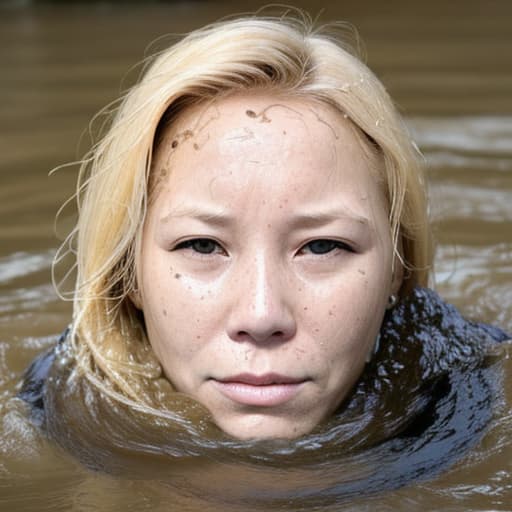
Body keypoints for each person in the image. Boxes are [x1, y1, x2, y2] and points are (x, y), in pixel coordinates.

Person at [20, 12, 509, 497]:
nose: (261, 315)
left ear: (396, 273)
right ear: (128, 275)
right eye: (202, 245)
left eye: (322, 246)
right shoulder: (39, 416)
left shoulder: (487, 391)